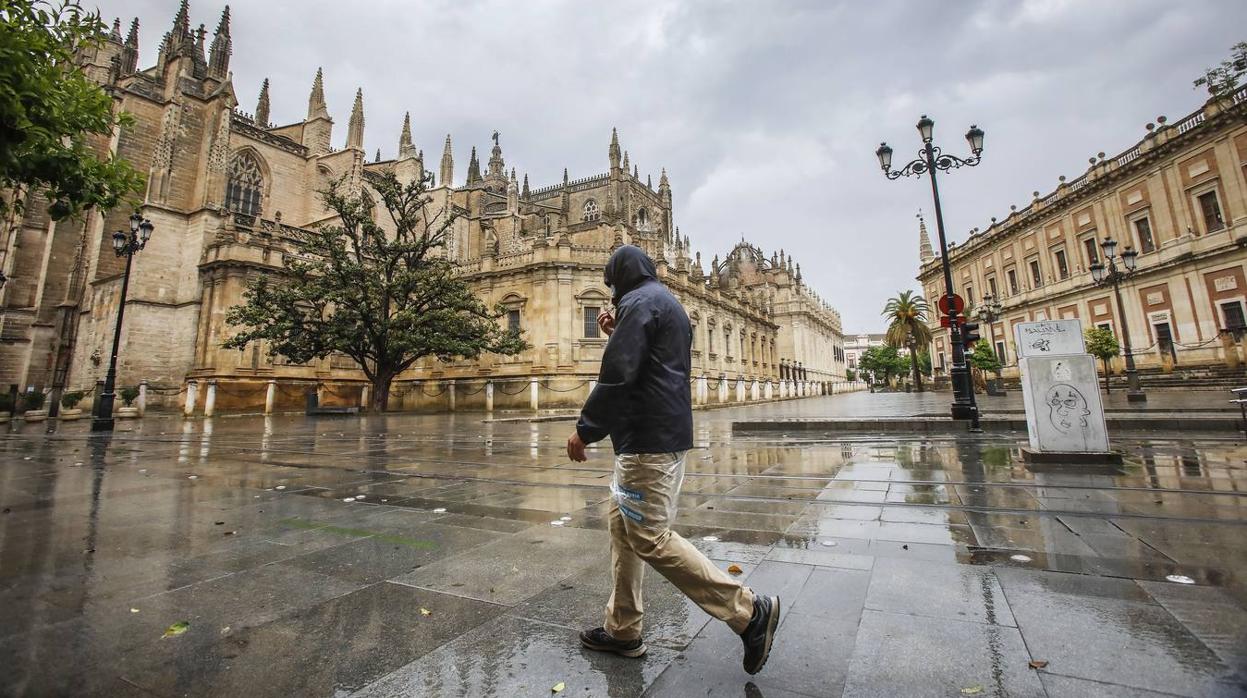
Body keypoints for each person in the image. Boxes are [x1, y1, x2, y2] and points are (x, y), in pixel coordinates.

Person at [566, 244, 780, 675]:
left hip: (647, 441)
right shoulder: (667, 303)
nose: (610, 297)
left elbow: (621, 372)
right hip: (664, 434)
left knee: (649, 536)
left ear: (620, 278)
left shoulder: (637, 303)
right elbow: (654, 361)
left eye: (611, 287)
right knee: (622, 527)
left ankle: (747, 610)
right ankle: (623, 629)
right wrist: (618, 329)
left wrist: (586, 428)